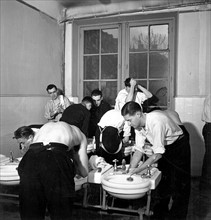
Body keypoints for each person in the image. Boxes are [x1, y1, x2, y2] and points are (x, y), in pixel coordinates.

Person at [121, 101, 191, 220]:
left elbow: (157, 155)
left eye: (129, 120)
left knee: (180, 186)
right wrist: (131, 169)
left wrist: (138, 169)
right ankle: (160, 215)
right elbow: (139, 150)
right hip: (165, 146)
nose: (128, 123)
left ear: (138, 114)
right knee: (162, 181)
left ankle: (177, 217)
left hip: (179, 145)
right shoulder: (138, 127)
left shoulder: (156, 121)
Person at [13, 121, 88, 220]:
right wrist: (74, 158)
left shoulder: (44, 128)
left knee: (30, 213)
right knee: (60, 212)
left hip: (30, 157)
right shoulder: (80, 135)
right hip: (55, 155)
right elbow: (84, 172)